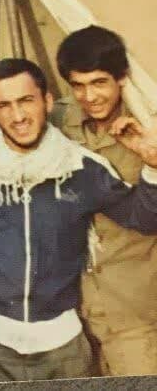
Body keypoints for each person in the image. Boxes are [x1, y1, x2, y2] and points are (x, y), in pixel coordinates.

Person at [0, 58, 157, 385]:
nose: (18, 116)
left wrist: (153, 165)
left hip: (61, 346)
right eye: (4, 106)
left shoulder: (82, 166)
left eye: (26, 101)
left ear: (47, 101)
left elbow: (142, 217)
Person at [52, 25, 157, 377]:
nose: (89, 96)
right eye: (78, 85)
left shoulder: (149, 127)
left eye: (99, 83)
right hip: (76, 319)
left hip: (138, 316)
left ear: (122, 78)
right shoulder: (59, 122)